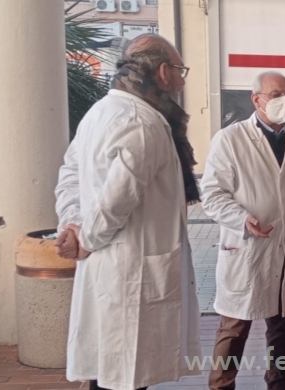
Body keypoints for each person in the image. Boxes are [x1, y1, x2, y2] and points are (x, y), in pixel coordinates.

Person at [53, 34, 202, 390]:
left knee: (110, 369)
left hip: (111, 263)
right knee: (125, 374)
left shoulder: (101, 111)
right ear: (164, 71)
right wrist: (85, 236)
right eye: (181, 71)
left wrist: (72, 222)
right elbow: (118, 199)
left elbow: (69, 173)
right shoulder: (142, 121)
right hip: (130, 267)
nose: (182, 81)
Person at [200, 71, 285, 390]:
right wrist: (241, 218)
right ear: (256, 99)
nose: (284, 101)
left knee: (283, 325)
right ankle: (221, 383)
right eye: (276, 95)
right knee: (235, 325)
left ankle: (278, 377)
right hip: (248, 249)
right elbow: (212, 194)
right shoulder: (230, 139)